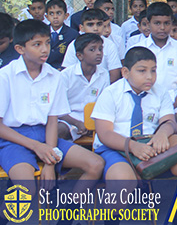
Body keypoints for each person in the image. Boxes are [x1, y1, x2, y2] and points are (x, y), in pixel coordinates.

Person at [0, 20, 104, 222]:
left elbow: (52, 121)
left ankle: (65, 214)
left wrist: (50, 160)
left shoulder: (54, 76)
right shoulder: (5, 76)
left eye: (47, 42)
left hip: (45, 136)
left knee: (95, 164)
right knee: (26, 188)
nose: (45, 49)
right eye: (37, 44)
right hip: (13, 139)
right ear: (20, 48)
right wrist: (37, 147)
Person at [91, 47, 177, 225]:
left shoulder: (160, 91)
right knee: (123, 180)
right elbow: (104, 133)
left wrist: (162, 134)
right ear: (126, 72)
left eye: (153, 70)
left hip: (150, 145)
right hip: (117, 148)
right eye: (142, 71)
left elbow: (170, 121)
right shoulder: (111, 93)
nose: (150, 76)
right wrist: (133, 146)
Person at [137, 3, 177, 127]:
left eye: (166, 23)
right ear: (148, 24)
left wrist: (173, 105)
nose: (162, 28)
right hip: (145, 97)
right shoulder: (138, 49)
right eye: (157, 23)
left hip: (175, 98)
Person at [58, 34, 109, 141]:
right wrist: (77, 123)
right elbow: (59, 109)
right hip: (69, 120)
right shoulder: (65, 75)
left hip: (94, 120)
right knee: (59, 130)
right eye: (92, 50)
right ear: (80, 56)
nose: (99, 53)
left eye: (100, 49)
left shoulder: (104, 74)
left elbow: (104, 105)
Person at [62, 9, 122, 83]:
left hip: (103, 87)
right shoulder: (74, 44)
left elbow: (114, 72)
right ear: (81, 28)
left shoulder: (110, 45)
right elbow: (67, 71)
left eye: (99, 24)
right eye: (90, 24)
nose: (95, 28)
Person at [45, 0, 79, 70]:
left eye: (59, 13)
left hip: (65, 70)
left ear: (66, 15)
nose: (55, 17)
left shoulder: (73, 34)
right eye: (51, 13)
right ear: (47, 17)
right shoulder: (41, 33)